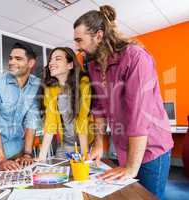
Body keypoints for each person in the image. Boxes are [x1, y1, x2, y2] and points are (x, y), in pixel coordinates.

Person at [73, 5, 174, 199]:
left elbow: (139, 116)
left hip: (152, 149)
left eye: (80, 40)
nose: (77, 46)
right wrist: (99, 144)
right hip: (125, 148)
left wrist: (131, 167)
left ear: (99, 36)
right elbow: (100, 108)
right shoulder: (94, 65)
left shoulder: (135, 57)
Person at [0, 42, 41, 170]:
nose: (12, 62)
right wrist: (2, 160)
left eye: (18, 59)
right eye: (11, 58)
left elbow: (32, 120)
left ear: (30, 63)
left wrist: (27, 154)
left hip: (18, 151)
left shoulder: (36, 84)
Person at [38, 47, 94, 160]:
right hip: (65, 146)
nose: (51, 63)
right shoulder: (50, 89)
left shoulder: (83, 84)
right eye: (50, 60)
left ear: (70, 65)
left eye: (57, 59)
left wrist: (85, 155)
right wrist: (41, 158)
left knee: (84, 174)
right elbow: (50, 121)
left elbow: (82, 119)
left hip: (86, 144)